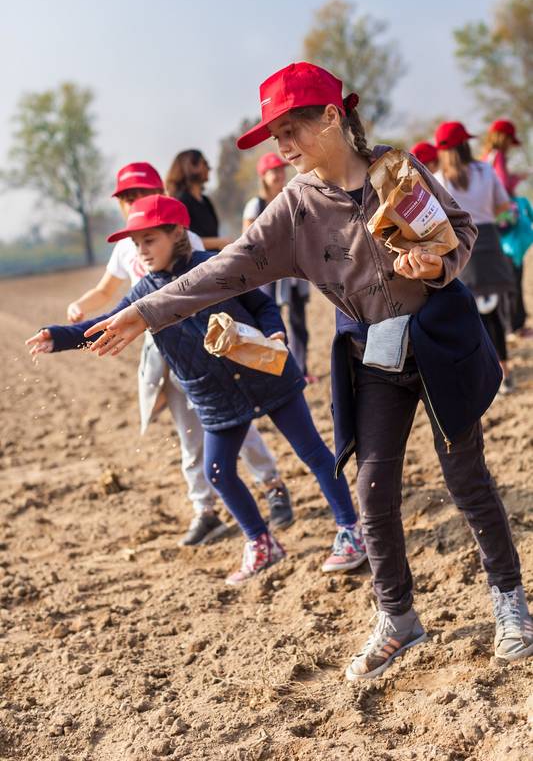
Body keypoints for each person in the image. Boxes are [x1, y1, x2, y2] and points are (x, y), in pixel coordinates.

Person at [82, 63, 532, 675]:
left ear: (332, 116)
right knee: (372, 493)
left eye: (292, 129)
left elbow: (458, 231)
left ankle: (511, 603)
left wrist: (435, 264)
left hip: (439, 341)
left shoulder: (397, 170)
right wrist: (148, 311)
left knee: (467, 480)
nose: (283, 146)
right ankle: (399, 620)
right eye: (275, 137)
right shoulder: (294, 209)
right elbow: (225, 267)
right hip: (373, 353)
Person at [27, 194, 367, 585]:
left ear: (177, 233)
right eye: (137, 244)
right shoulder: (144, 294)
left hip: (265, 372)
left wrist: (275, 331)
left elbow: (262, 305)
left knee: (313, 452)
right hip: (214, 395)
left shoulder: (215, 267)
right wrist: (59, 337)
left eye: (150, 240)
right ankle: (262, 542)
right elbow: (108, 321)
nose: (142, 250)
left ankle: (350, 529)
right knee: (218, 471)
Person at [67, 162, 294, 544]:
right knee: (188, 433)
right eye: (125, 198)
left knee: (234, 422)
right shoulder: (125, 248)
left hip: (203, 343)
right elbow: (107, 292)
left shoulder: (184, 239)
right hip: (164, 350)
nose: (131, 203)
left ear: (159, 196)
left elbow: (209, 283)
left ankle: (272, 484)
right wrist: (81, 304)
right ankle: (204, 510)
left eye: (139, 195)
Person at [434, 122, 516, 393]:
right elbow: (503, 208)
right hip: (490, 243)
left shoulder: (437, 178)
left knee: (469, 316)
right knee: (493, 314)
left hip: (458, 248)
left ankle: (481, 376)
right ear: (466, 144)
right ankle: (504, 372)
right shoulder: (485, 170)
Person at [242, 152, 315, 379]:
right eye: (273, 171)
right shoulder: (255, 205)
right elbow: (249, 239)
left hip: (296, 269)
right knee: (272, 321)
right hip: (269, 272)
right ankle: (274, 372)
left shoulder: (292, 197)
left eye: (281, 170)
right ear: (263, 176)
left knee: (298, 321)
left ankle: (300, 369)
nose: (279, 175)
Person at [483, 119, 533, 337]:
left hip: (493, 224)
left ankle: (511, 325)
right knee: (514, 271)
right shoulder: (498, 157)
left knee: (505, 275)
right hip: (505, 223)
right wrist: (517, 178)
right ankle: (516, 325)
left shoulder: (486, 158)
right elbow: (503, 186)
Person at [166, 149, 229, 251]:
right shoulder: (180, 202)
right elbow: (183, 239)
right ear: (190, 166)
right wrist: (220, 242)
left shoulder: (206, 201)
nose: (209, 168)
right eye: (204, 163)